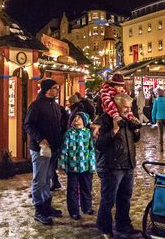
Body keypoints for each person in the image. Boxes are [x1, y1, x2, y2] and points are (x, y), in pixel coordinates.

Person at [94, 93, 141, 237]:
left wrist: (137, 129)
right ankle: (104, 228)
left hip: (128, 163)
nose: (128, 110)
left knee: (125, 197)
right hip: (112, 166)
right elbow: (99, 144)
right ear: (117, 106)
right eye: (125, 107)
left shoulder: (128, 119)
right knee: (109, 199)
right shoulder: (103, 120)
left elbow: (135, 140)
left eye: (129, 107)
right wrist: (114, 130)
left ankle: (123, 225)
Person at [24, 79, 64, 225]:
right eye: (55, 88)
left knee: (47, 177)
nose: (57, 90)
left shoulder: (54, 105)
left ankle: (47, 205)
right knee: (39, 179)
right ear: (46, 89)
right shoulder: (36, 106)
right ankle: (39, 209)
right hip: (40, 149)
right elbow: (28, 125)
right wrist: (40, 139)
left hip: (53, 148)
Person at [60, 111, 96, 220]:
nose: (76, 119)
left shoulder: (88, 133)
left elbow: (91, 149)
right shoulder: (69, 133)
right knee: (72, 189)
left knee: (86, 187)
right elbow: (64, 150)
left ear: (84, 121)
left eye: (79, 117)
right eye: (75, 117)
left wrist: (92, 164)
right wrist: (62, 164)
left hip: (86, 166)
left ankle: (87, 207)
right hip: (73, 166)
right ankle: (74, 211)